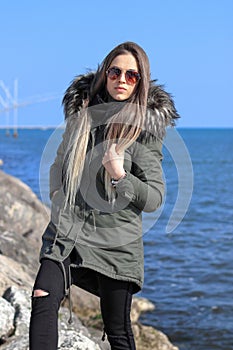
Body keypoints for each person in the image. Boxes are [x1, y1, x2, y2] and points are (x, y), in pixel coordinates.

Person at [29, 41, 179, 350]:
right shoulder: (82, 114)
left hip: (115, 244)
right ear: (104, 74)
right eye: (115, 72)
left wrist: (119, 174)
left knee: (118, 329)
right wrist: (58, 194)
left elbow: (154, 198)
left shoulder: (144, 131)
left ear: (141, 82)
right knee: (43, 295)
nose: (121, 80)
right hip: (67, 234)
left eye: (131, 75)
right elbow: (59, 162)